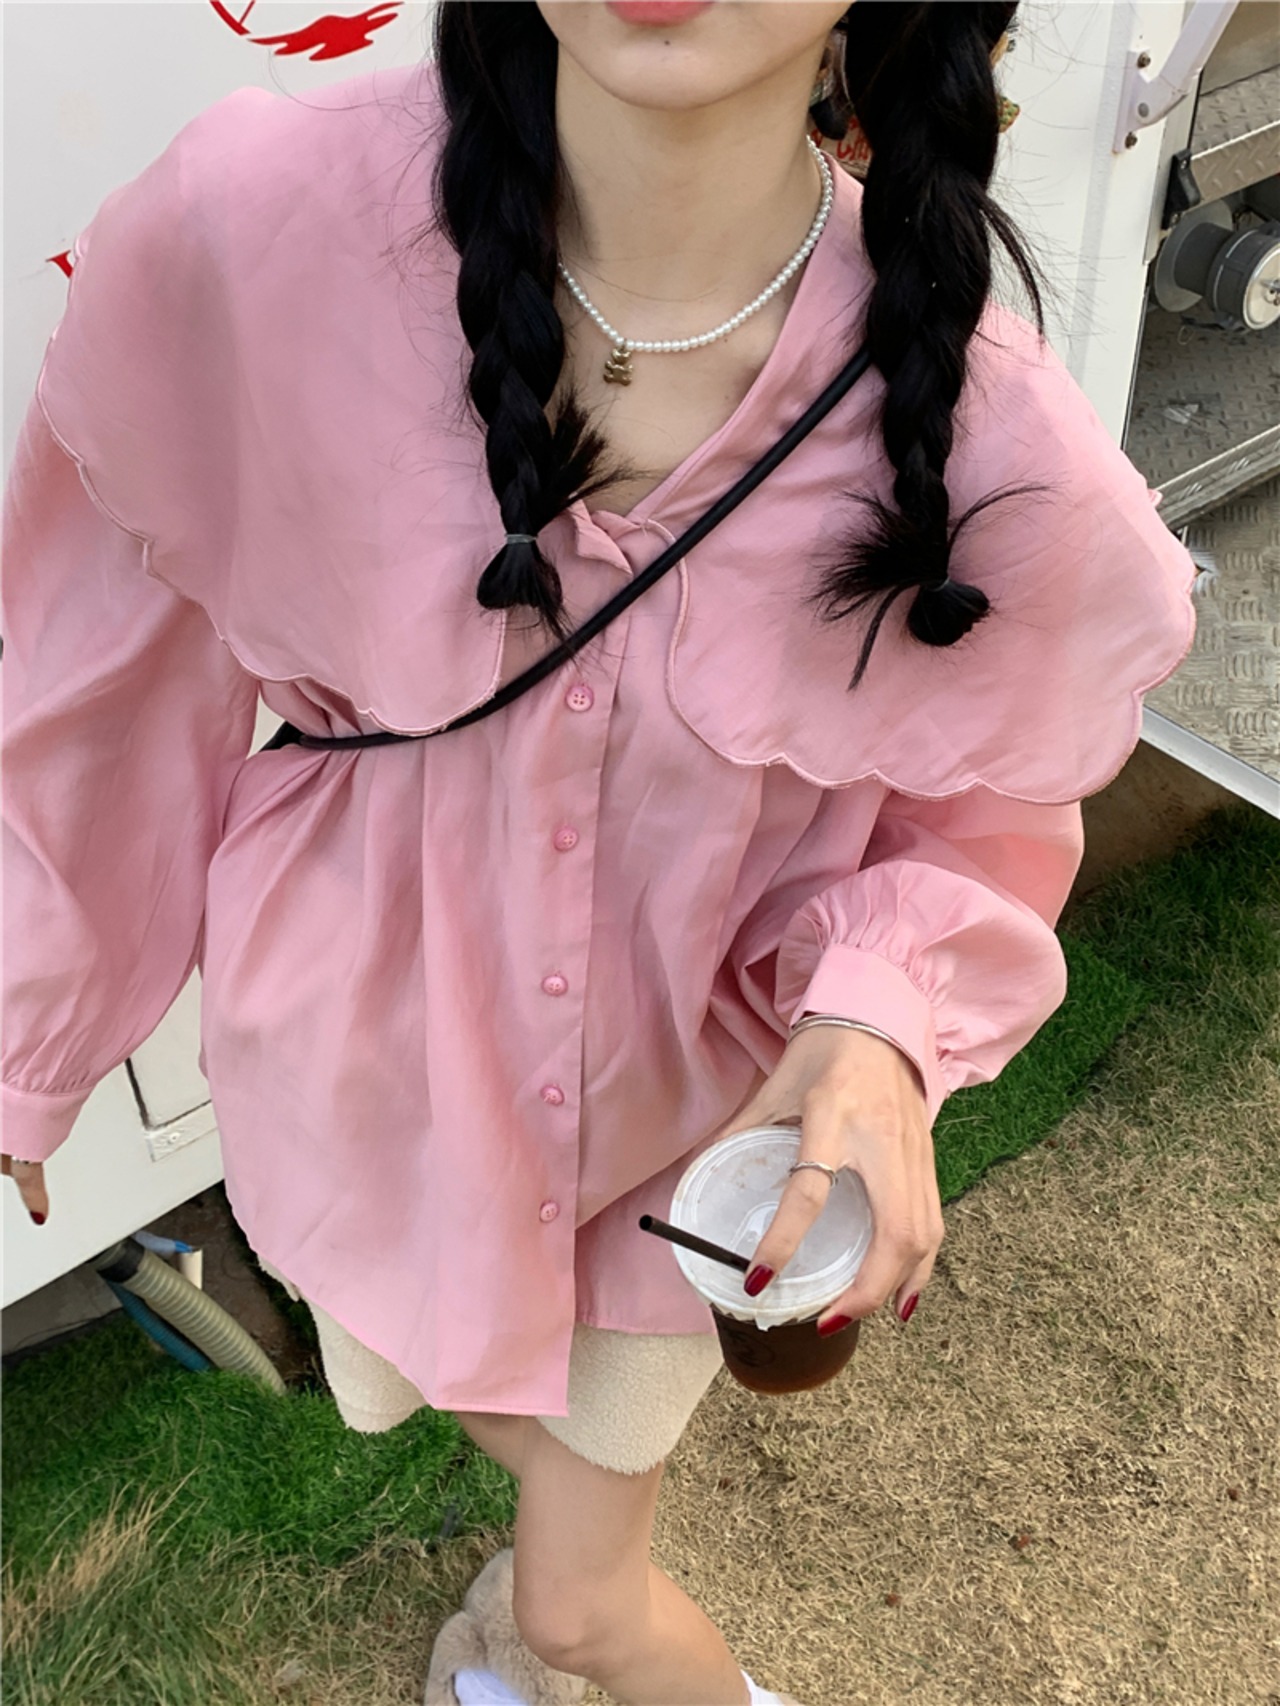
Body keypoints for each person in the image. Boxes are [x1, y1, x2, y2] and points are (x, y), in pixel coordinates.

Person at [1, 3, 1197, 1703]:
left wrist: (883, 1015)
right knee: (448, 1398)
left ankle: (568, 1641)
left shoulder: (984, 429)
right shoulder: (260, 235)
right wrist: (34, 1020)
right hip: (371, 1084)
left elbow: (985, 808)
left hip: (682, 1148)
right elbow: (112, 659)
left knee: (583, 1604)